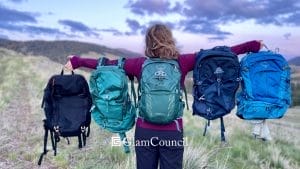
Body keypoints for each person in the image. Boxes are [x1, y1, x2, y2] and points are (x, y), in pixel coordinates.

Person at [65, 24, 263, 169]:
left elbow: (107, 63)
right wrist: (252, 45)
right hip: (172, 131)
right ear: (170, 40)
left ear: (149, 43)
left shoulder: (139, 64)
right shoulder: (183, 62)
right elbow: (220, 53)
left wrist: (77, 61)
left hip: (144, 130)